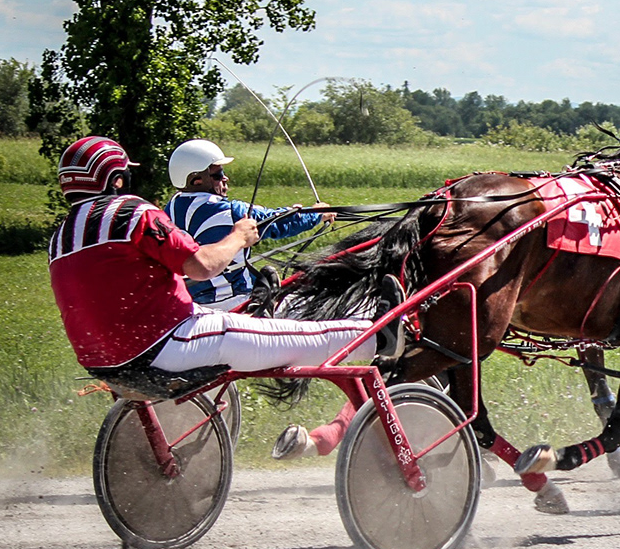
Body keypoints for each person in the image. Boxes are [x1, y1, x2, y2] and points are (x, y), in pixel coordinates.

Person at [46, 135, 385, 387]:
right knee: (307, 336)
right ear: (116, 179)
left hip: (103, 361)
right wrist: (239, 236)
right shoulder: (132, 213)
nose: (224, 179)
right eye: (218, 173)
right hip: (169, 341)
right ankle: (385, 330)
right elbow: (201, 265)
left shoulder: (61, 238)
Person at [164, 138, 334, 311]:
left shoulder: (166, 211)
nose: (225, 178)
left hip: (187, 306)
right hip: (235, 302)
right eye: (218, 174)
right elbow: (280, 222)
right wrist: (317, 214)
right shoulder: (233, 212)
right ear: (197, 180)